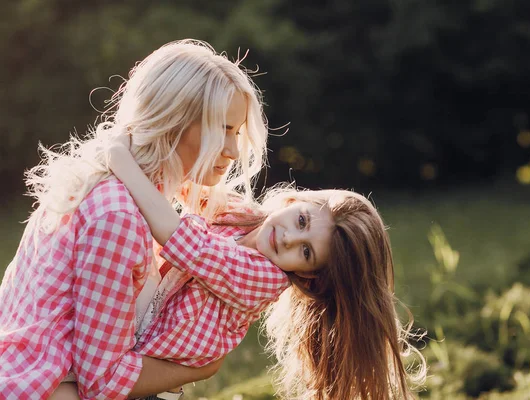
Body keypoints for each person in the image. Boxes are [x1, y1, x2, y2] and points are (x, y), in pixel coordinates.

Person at [0, 39, 270, 400]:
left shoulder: (127, 183)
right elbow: (103, 382)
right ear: (173, 120)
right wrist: (200, 367)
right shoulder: (118, 215)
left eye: (236, 132)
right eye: (221, 128)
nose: (233, 151)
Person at [55, 142, 426, 399]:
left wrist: (121, 158)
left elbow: (181, 239)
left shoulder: (263, 280)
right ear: (297, 200)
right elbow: (185, 186)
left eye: (306, 252)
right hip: (133, 335)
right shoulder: (246, 217)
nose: (289, 239)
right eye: (300, 221)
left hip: (144, 373)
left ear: (308, 275)